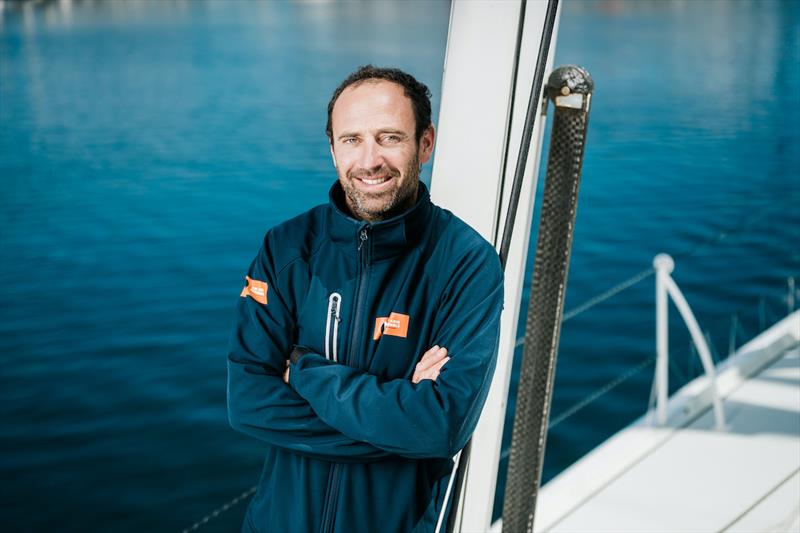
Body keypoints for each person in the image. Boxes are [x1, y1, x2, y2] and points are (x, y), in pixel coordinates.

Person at [227, 65, 504, 533]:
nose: (370, 159)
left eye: (389, 137)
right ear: (332, 149)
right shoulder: (288, 247)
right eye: (352, 139)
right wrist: (401, 424)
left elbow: (441, 426)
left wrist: (305, 372)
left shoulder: (464, 263)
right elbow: (248, 400)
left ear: (426, 144)